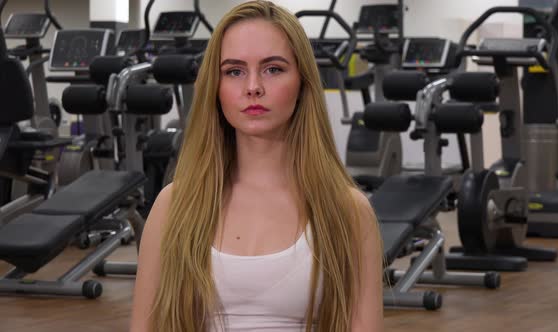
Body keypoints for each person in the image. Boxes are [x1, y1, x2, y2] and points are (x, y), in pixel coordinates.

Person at [130, 1, 384, 331]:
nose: (253, 87)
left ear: (303, 82)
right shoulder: (173, 206)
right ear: (216, 88)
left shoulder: (347, 211)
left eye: (273, 69)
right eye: (234, 71)